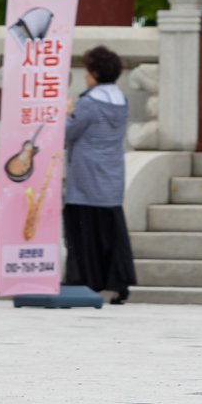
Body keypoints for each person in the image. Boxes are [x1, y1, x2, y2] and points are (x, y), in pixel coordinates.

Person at [62, 45, 137, 304]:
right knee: (111, 232)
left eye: (87, 71)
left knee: (83, 230)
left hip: (86, 174)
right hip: (112, 173)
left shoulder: (89, 103)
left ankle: (83, 281)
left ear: (95, 73)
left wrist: (66, 112)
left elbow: (66, 133)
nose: (85, 76)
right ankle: (118, 284)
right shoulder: (121, 100)